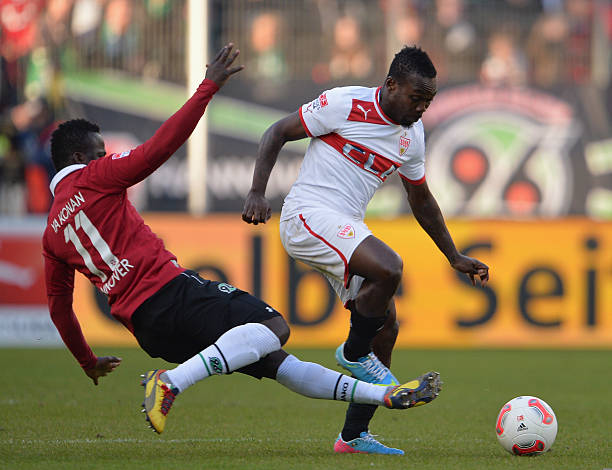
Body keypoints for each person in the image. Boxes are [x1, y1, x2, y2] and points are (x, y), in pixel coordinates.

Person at [42, 43, 442, 438]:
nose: (104, 156)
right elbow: (156, 150)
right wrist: (206, 88)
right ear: (81, 158)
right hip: (170, 293)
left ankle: (384, 396)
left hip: (146, 329)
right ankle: (171, 382)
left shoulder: (51, 235)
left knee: (277, 363)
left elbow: (60, 308)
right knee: (273, 325)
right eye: (99, 153)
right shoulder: (94, 177)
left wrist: (86, 361)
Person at [241, 45, 489, 455]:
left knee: (386, 327)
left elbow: (421, 198)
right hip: (306, 215)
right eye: (416, 98)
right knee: (389, 268)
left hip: (346, 226)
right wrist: (256, 192)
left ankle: (353, 436)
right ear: (391, 85)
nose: (422, 108)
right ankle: (353, 354)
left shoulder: (412, 136)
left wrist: (453, 255)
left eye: (429, 101)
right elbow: (277, 132)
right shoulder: (345, 104)